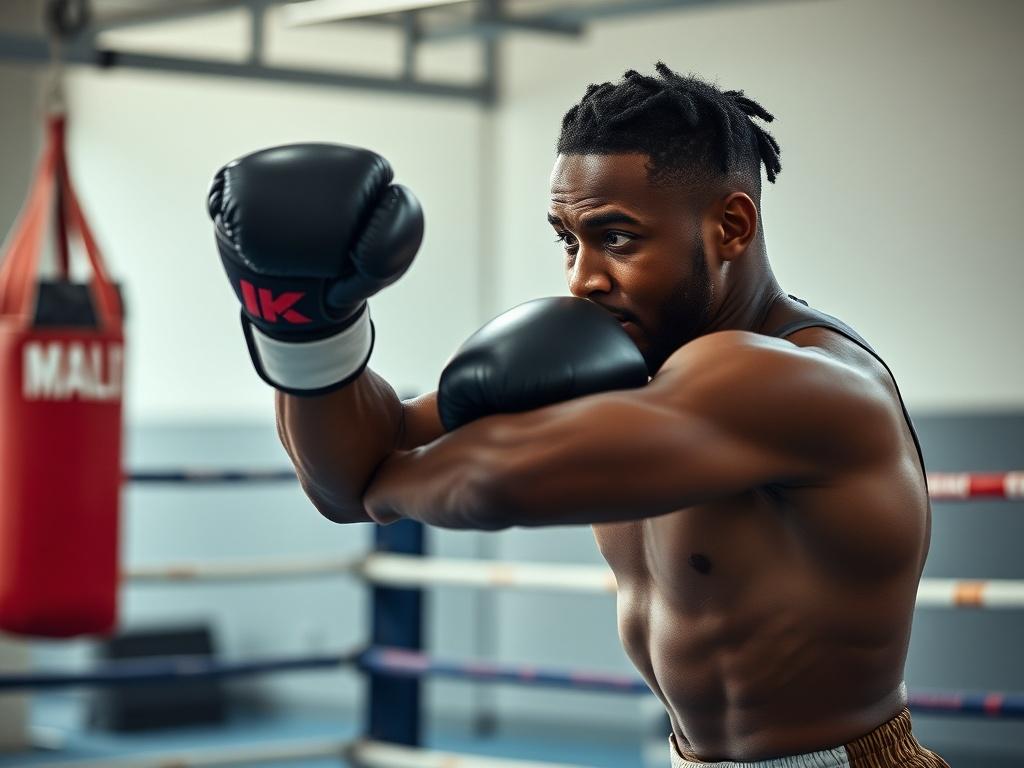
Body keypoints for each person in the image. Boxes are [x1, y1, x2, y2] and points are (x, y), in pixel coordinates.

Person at [209, 63, 948, 767]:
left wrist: (371, 481)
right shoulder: (630, 358)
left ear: (730, 225)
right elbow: (358, 469)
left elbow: (487, 481)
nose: (582, 277)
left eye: (617, 239)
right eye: (569, 240)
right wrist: (305, 330)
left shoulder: (781, 379)